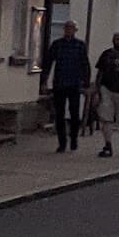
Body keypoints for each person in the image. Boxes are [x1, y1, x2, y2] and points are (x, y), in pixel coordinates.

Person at [42, 20, 91, 153]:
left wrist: (86, 84)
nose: (69, 30)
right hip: (60, 83)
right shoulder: (57, 45)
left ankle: (74, 138)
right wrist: (44, 81)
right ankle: (62, 142)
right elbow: (48, 62)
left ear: (75, 30)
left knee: (74, 113)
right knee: (59, 114)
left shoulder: (80, 46)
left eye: (71, 28)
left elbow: (85, 65)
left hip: (74, 84)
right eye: (67, 28)